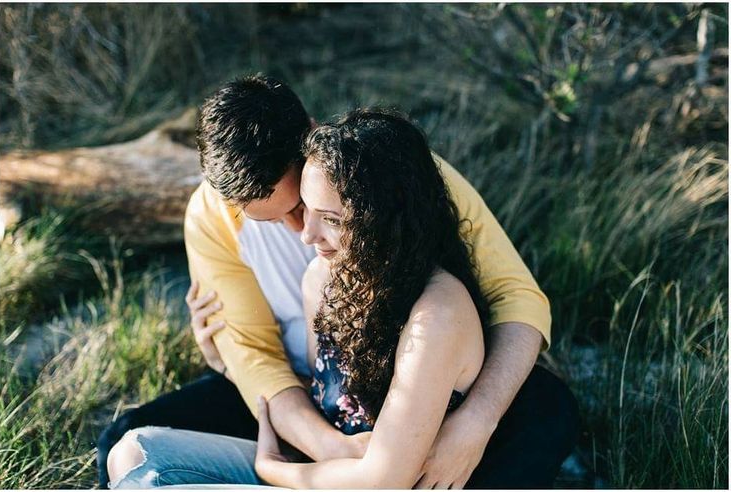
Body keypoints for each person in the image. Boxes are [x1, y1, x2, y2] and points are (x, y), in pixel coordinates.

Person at [100, 76, 578, 489]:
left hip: (420, 385)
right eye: (270, 220)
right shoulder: (216, 218)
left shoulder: (390, 175)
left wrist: (475, 422)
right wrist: (328, 447)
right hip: (310, 397)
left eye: (299, 207)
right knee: (126, 440)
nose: (299, 232)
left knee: (545, 408)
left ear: (311, 145)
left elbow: (515, 297)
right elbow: (254, 359)